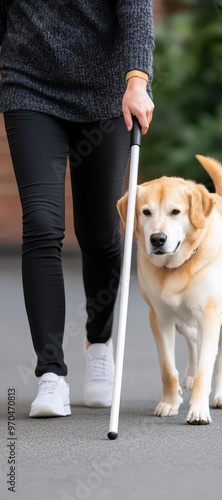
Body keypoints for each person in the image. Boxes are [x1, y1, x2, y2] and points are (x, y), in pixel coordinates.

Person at [0, 0, 154, 417]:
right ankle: (51, 373)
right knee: (42, 225)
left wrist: (137, 81)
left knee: (102, 231)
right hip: (28, 87)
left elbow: (136, 12)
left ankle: (99, 344)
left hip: (105, 95)